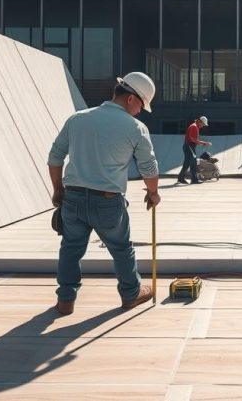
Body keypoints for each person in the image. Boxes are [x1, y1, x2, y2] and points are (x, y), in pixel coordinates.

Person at [47, 71, 160, 316]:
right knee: (121, 249)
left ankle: (65, 300)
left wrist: (58, 191)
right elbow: (149, 168)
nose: (141, 111)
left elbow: (54, 157)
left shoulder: (77, 119)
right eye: (142, 104)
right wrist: (153, 193)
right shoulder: (136, 128)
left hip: (73, 199)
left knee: (71, 248)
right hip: (108, 202)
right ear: (131, 99)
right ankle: (131, 294)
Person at [176, 116, 211, 184]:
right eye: (203, 124)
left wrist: (201, 143)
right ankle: (189, 179)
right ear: (200, 121)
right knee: (190, 163)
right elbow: (192, 139)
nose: (203, 126)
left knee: (191, 163)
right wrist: (204, 143)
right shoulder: (194, 127)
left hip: (189, 146)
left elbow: (193, 139)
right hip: (189, 146)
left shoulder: (194, 126)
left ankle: (189, 179)